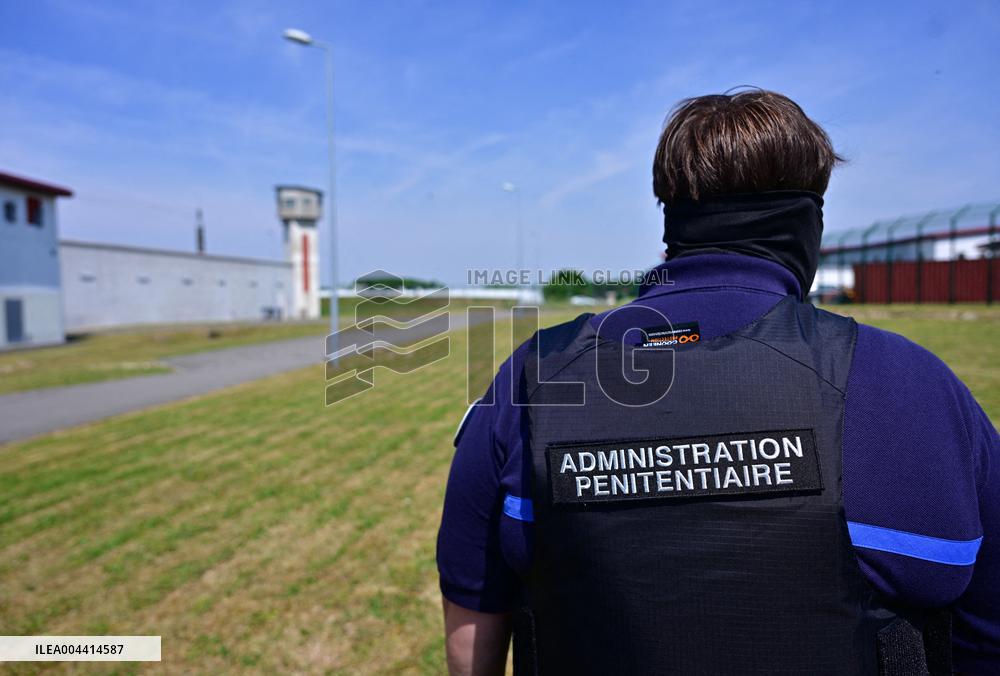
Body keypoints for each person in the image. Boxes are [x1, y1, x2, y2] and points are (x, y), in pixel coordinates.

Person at [437, 89, 999, 675]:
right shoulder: (910, 382)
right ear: (810, 220)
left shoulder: (531, 377)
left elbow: (472, 626)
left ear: (672, 211)